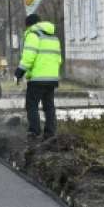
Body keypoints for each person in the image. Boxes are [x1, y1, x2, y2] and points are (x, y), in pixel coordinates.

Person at [15, 13, 62, 141]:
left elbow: (29, 56)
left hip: (38, 78)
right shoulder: (53, 38)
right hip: (52, 78)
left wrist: (20, 71)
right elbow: (58, 59)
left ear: (29, 25)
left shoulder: (33, 35)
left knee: (32, 105)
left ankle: (34, 132)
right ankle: (50, 133)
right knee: (49, 106)